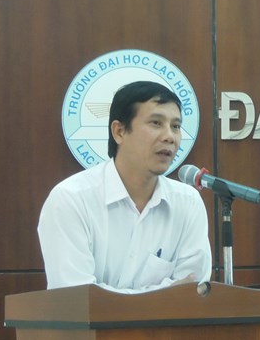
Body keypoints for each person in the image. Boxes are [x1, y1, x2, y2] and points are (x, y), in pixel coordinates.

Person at [38, 80, 212, 292]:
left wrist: (115, 298)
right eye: (156, 123)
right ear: (119, 131)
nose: (169, 137)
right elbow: (77, 298)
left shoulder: (188, 202)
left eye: (175, 126)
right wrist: (163, 294)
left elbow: (192, 292)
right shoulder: (71, 199)